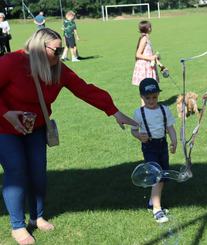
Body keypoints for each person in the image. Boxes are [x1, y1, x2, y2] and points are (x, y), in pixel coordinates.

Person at [0, 28, 138, 245]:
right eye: (57, 50)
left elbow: (84, 89)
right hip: (5, 128)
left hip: (35, 128)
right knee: (16, 171)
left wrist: (113, 111)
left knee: (37, 171)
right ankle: (18, 226)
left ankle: (38, 217)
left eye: (62, 49)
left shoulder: (57, 69)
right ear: (39, 48)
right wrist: (6, 113)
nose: (61, 54)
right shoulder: (11, 62)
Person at [131, 78, 177, 223]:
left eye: (154, 97)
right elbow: (133, 130)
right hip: (149, 146)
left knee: (163, 176)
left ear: (158, 95)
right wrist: (139, 136)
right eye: (147, 98)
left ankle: (153, 201)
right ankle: (157, 209)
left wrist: (174, 141)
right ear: (142, 97)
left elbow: (170, 127)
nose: (151, 101)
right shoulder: (139, 113)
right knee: (155, 175)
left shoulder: (164, 109)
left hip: (162, 145)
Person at [132, 21, 159, 87]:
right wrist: (151, 58)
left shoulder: (146, 38)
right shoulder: (144, 39)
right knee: (146, 88)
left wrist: (155, 57)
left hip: (148, 65)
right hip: (144, 66)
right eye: (150, 26)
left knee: (149, 88)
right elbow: (137, 54)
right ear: (148, 28)